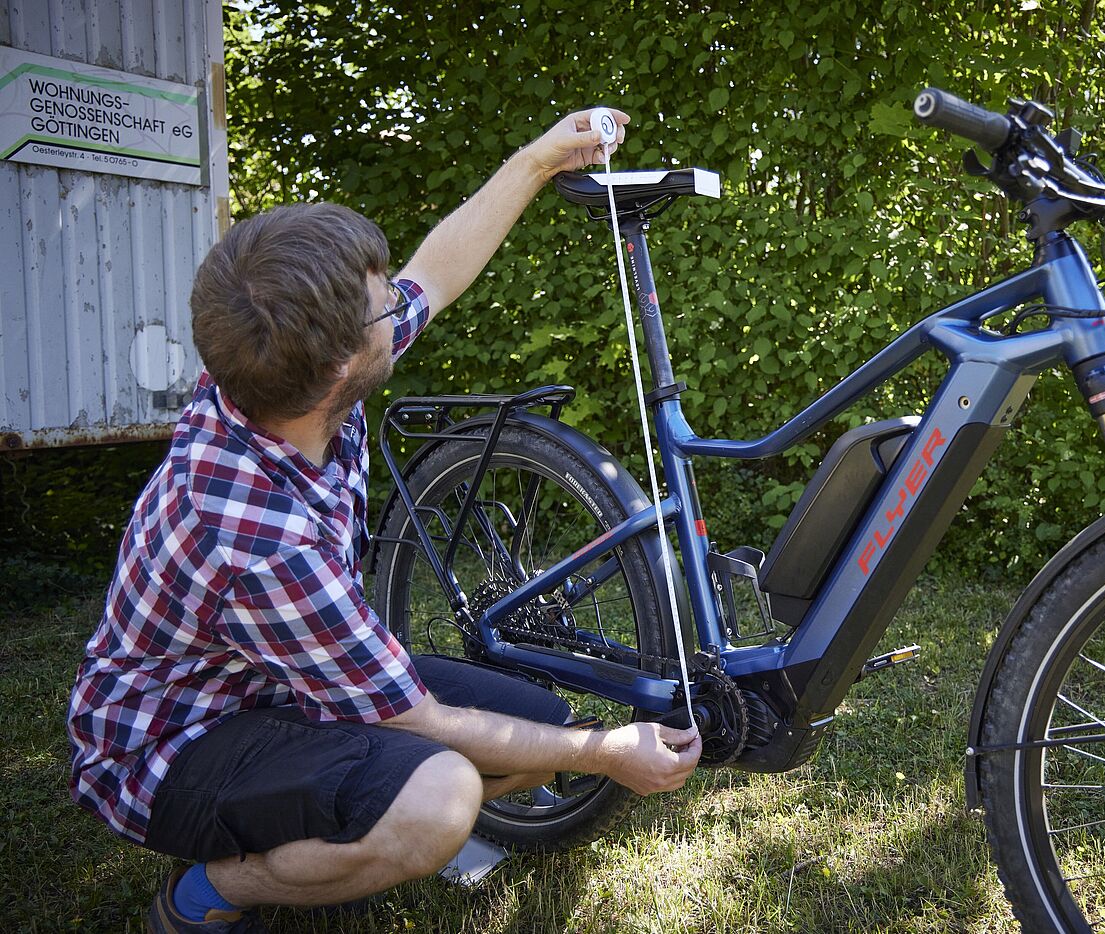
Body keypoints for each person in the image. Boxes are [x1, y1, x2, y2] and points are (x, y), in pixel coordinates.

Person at [65, 108, 702, 934]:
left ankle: (314, 812)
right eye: (379, 303)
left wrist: (542, 159)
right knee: (440, 799)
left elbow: (434, 276)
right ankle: (212, 893)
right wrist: (605, 752)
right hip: (168, 748)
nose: (396, 301)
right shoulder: (256, 535)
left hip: (276, 680)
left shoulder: (274, 376)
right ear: (338, 367)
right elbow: (421, 722)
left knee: (535, 723)